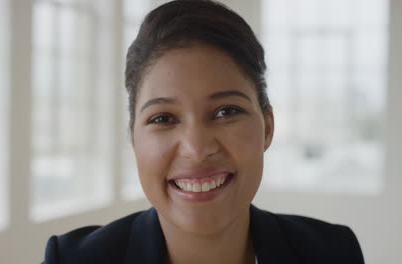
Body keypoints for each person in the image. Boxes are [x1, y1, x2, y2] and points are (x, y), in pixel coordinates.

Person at [42, 1, 365, 263]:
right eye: (163, 118)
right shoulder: (73, 260)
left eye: (226, 112)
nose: (196, 149)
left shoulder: (332, 252)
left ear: (267, 127)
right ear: (133, 138)